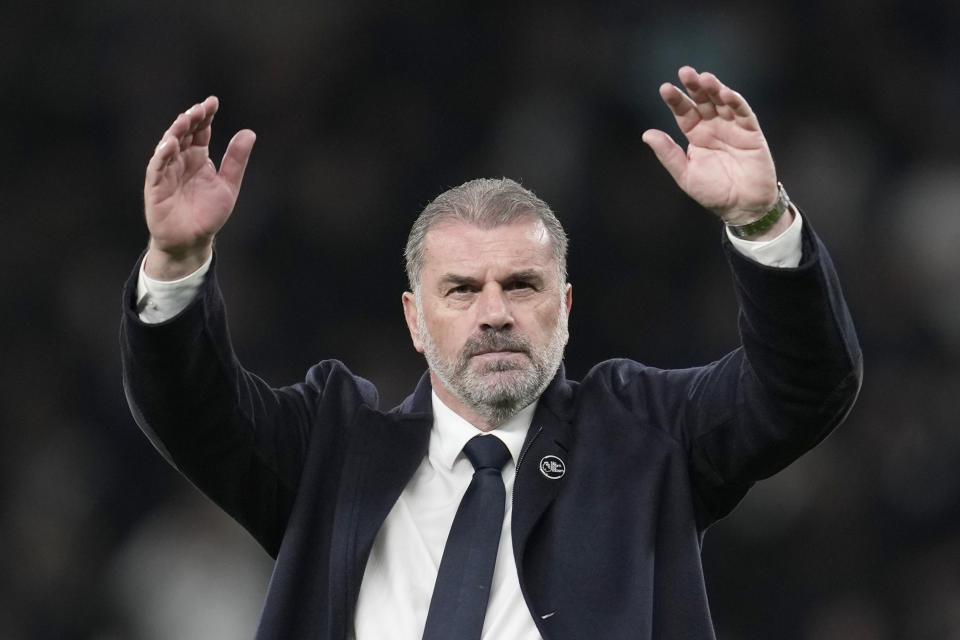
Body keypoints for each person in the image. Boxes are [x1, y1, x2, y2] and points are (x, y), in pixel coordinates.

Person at [120, 66, 862, 639]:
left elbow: (802, 386)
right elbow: (192, 410)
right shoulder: (331, 448)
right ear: (415, 319)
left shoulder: (646, 435)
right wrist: (178, 261)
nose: (496, 313)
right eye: (462, 290)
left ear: (565, 308)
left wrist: (760, 220)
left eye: (523, 284)